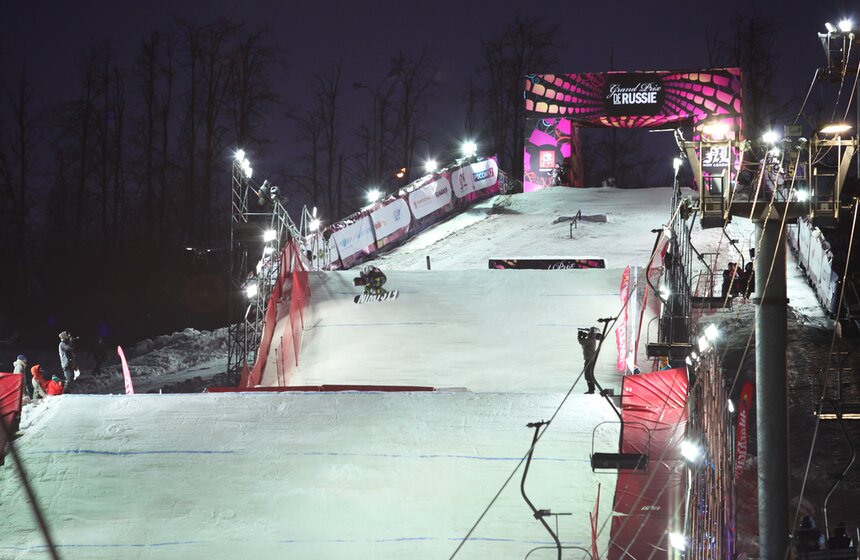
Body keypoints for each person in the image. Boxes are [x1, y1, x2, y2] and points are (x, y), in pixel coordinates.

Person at [577, 326, 602, 394]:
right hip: (589, 358)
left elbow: (582, 342)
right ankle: (591, 389)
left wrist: (579, 336)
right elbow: (584, 344)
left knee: (588, 374)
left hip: (589, 359)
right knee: (588, 374)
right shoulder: (591, 338)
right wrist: (583, 336)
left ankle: (591, 389)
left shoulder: (591, 339)